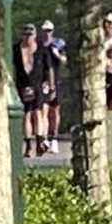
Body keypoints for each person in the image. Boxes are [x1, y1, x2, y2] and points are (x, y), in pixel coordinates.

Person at [14, 23, 47, 158]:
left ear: (35, 35)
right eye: (26, 34)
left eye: (30, 34)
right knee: (26, 114)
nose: (28, 37)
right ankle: (28, 145)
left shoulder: (40, 49)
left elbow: (48, 67)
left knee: (37, 113)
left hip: (37, 83)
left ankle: (39, 141)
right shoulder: (16, 49)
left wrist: (49, 84)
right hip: (23, 83)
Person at [38, 19, 67, 153]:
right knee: (43, 110)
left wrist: (57, 54)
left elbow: (65, 60)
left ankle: (53, 137)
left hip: (57, 79)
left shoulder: (58, 43)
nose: (47, 33)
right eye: (45, 30)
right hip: (42, 81)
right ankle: (44, 138)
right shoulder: (38, 45)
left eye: (49, 31)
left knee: (55, 110)